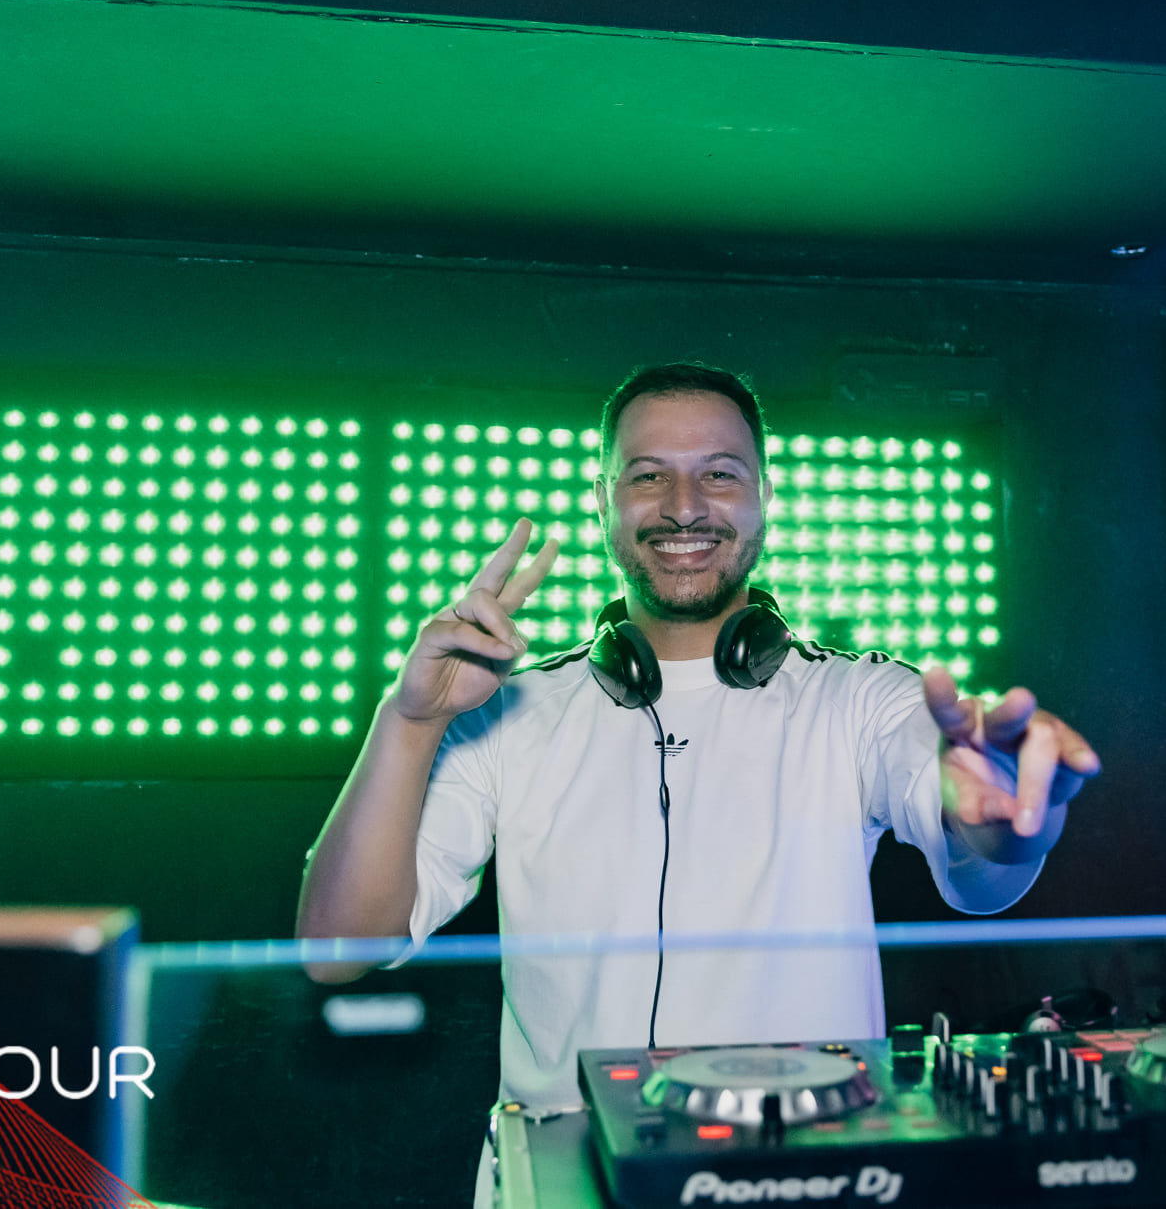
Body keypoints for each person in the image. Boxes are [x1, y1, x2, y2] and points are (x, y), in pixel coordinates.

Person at [296, 363, 1098, 1187]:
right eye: (649, 476)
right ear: (604, 499)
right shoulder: (509, 711)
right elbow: (336, 950)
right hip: (570, 1186)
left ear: (765, 497)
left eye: (719, 474)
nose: (684, 506)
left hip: (803, 1177)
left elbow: (983, 864)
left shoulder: (858, 698)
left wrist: (1009, 815)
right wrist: (411, 720)